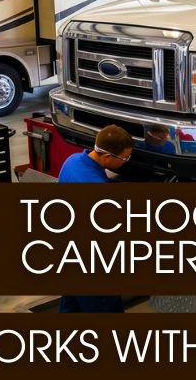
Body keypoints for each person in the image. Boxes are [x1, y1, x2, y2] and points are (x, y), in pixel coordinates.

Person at [57, 124, 134, 313]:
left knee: (71, 309)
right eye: (125, 158)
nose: (126, 161)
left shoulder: (73, 160)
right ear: (108, 157)